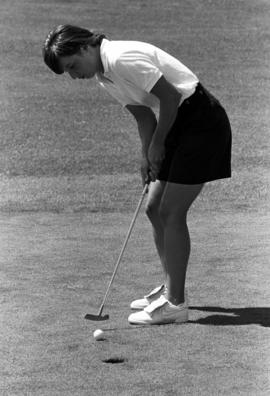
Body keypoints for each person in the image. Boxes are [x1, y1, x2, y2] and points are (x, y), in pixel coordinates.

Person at [43, 24, 232, 325]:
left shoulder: (120, 58)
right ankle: (170, 288)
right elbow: (143, 115)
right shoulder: (104, 76)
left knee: (171, 211)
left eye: (72, 66)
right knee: (154, 207)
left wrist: (158, 144)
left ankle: (176, 304)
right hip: (177, 125)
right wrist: (146, 155)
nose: (74, 75)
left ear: (84, 48)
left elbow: (169, 98)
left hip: (201, 123)